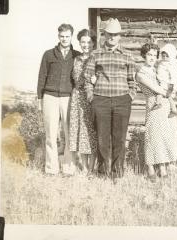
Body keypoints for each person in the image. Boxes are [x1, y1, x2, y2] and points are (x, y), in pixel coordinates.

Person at [84, 18, 136, 178]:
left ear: (120, 36)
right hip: (101, 100)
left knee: (119, 138)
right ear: (105, 35)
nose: (112, 37)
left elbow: (132, 80)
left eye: (115, 35)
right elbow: (88, 77)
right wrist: (91, 96)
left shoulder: (128, 55)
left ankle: (117, 172)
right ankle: (102, 172)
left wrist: (130, 96)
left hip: (122, 100)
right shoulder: (95, 54)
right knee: (102, 137)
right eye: (109, 34)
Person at [135, 43, 177, 182]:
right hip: (153, 105)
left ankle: (162, 168)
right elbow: (157, 89)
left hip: (165, 104)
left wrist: (170, 90)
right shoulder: (140, 73)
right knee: (152, 136)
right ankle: (150, 167)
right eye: (149, 54)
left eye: (154, 55)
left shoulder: (158, 70)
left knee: (163, 136)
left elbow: (169, 81)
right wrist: (169, 92)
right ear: (144, 55)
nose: (152, 58)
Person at [37, 23, 80, 175]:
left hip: (68, 98)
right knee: (51, 134)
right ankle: (51, 169)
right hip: (50, 97)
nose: (64, 39)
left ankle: (68, 168)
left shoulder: (76, 56)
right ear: (58, 36)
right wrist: (40, 99)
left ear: (71, 37)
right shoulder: (48, 54)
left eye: (67, 36)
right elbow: (42, 77)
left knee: (69, 133)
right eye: (62, 36)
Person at [69, 29, 97, 175]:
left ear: (93, 43)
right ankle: (83, 167)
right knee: (79, 132)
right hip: (77, 99)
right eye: (83, 42)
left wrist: (96, 81)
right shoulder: (76, 59)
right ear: (79, 43)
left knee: (90, 132)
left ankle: (91, 168)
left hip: (91, 98)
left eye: (89, 42)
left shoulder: (96, 58)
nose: (86, 45)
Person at [154, 43, 177, 118]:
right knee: (160, 93)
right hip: (162, 82)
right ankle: (158, 103)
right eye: (163, 56)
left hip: (168, 84)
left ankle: (173, 109)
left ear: (171, 56)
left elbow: (174, 76)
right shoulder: (162, 63)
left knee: (168, 96)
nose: (165, 58)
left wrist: (171, 86)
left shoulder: (172, 64)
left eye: (167, 56)